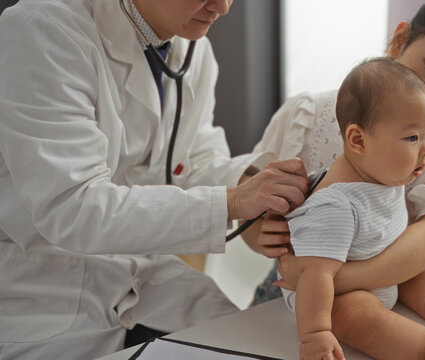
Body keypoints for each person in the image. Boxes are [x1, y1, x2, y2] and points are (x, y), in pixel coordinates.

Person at [0, 0, 309, 359]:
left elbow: (193, 158)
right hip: (45, 293)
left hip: (142, 277)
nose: (223, 7)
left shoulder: (192, 49)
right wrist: (233, 201)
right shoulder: (42, 31)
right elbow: (75, 208)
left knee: (259, 347)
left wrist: (259, 191)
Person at [246, 0, 425, 327]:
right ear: (400, 39)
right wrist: (262, 232)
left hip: (393, 304)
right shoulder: (308, 115)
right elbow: (250, 205)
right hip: (289, 305)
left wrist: (326, 278)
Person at [286, 57, 425, 360]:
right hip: (336, 296)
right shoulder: (336, 205)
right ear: (358, 140)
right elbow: (314, 277)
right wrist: (315, 335)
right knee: (351, 313)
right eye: (412, 137)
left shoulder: (385, 175)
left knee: (412, 254)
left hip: (380, 273)